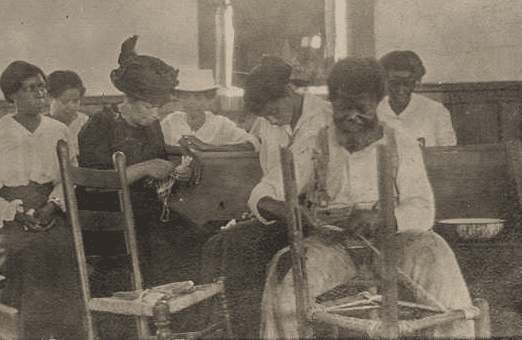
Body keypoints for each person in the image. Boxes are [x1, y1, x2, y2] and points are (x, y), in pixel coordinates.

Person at [258, 57, 474, 339]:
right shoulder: (315, 142)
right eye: (343, 107)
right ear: (331, 102)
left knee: (437, 259)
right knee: (286, 292)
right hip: (333, 246)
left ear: (378, 103)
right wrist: (281, 206)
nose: (351, 116)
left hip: (396, 243)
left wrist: (384, 218)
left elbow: (422, 207)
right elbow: (267, 189)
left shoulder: (401, 143)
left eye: (362, 107)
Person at [197, 56, 331, 339]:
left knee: (238, 244)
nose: (270, 120)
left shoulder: (322, 119)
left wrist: (264, 201)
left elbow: (293, 176)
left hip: (315, 216)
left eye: (273, 111)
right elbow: (254, 153)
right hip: (280, 211)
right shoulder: (268, 121)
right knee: (213, 244)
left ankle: (248, 332)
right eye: (265, 117)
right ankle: (222, 329)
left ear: (288, 93)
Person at [0, 60, 85, 339]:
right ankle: (22, 333)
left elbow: (66, 178)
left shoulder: (59, 131)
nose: (40, 95)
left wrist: (51, 205)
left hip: (49, 211)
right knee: (25, 252)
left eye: (43, 88)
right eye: (30, 89)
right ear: (12, 94)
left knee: (65, 247)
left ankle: (64, 334)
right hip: (2, 217)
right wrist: (16, 213)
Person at [77, 35, 198, 291]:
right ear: (128, 100)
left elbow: (159, 168)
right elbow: (93, 185)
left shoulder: (151, 126)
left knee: (194, 233)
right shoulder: (99, 126)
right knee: (159, 242)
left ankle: (174, 311)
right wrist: (144, 168)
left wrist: (176, 173)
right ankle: (152, 310)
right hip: (105, 216)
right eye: (148, 107)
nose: (155, 115)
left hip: (143, 210)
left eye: (159, 108)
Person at [161, 68, 259, 153]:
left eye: (198, 97)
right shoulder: (171, 121)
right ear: (179, 98)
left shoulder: (221, 124)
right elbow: (154, 146)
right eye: (185, 97)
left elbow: (253, 143)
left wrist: (208, 147)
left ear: (209, 99)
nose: (191, 103)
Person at [377, 50, 457, 147]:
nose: (401, 89)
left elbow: (448, 154)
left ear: (415, 82)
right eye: (394, 83)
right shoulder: (374, 110)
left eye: (407, 83)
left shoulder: (436, 111)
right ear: (384, 82)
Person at [46, 70, 89, 158]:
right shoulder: (42, 124)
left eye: (75, 101)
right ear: (49, 98)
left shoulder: (85, 123)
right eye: (64, 101)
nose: (71, 106)